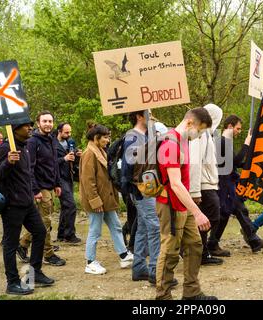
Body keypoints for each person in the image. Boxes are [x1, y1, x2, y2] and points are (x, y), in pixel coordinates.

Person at [155, 107, 217, 300]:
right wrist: (198, 212)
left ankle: (191, 292)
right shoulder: (170, 144)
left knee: (194, 244)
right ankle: (163, 297)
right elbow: (174, 183)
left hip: (184, 203)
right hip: (170, 205)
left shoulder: (182, 141)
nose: (199, 136)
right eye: (200, 131)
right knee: (170, 251)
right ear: (190, 123)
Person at [0, 121, 54, 295]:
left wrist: (33, 192)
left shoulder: (25, 147)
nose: (30, 128)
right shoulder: (4, 149)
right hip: (12, 205)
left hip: (27, 202)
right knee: (10, 244)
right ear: (14, 129)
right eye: (26, 126)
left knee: (40, 232)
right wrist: (8, 162)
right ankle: (12, 283)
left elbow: (27, 174)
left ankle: (35, 273)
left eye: (30, 125)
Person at [209, 115, 263, 255]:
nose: (239, 131)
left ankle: (251, 240)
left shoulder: (226, 141)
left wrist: (255, 164)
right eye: (238, 128)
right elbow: (235, 162)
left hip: (228, 183)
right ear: (230, 126)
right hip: (224, 184)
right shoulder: (222, 142)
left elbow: (237, 163)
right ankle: (213, 244)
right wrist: (247, 144)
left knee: (233, 212)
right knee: (228, 213)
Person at [80, 124, 133, 275]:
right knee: (95, 231)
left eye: (108, 136)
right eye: (105, 137)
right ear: (96, 138)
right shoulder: (89, 154)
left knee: (116, 226)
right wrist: (95, 201)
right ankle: (90, 262)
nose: (108, 139)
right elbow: (87, 181)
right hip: (97, 201)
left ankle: (124, 255)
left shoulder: (100, 151)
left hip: (106, 199)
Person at [17, 111, 66, 266]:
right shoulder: (32, 142)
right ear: (38, 123)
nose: (48, 124)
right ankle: (48, 254)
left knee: (41, 221)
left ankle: (22, 244)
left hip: (51, 185)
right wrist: (35, 190)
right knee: (45, 222)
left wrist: (57, 183)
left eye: (50, 121)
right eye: (44, 121)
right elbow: (29, 167)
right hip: (40, 187)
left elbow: (54, 164)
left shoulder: (51, 140)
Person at [122, 111, 161, 284]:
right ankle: (155, 270)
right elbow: (129, 166)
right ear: (139, 116)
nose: (152, 117)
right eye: (149, 113)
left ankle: (139, 268)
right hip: (142, 189)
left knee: (145, 227)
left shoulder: (145, 136)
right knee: (155, 227)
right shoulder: (132, 137)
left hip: (146, 188)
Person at [189, 104, 225, 265]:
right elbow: (195, 162)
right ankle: (198, 251)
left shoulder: (207, 135)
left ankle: (201, 251)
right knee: (212, 218)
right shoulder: (201, 135)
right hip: (203, 185)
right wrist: (195, 190)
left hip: (207, 183)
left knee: (209, 218)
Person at [55, 122, 81, 244]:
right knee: (71, 206)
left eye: (70, 132)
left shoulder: (70, 142)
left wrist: (77, 155)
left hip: (69, 176)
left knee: (66, 207)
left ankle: (61, 234)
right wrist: (64, 159)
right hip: (59, 178)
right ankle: (69, 235)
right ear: (59, 131)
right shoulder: (52, 144)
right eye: (66, 132)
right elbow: (48, 162)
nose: (69, 134)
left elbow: (73, 157)